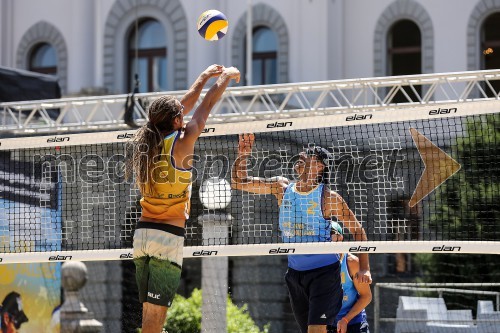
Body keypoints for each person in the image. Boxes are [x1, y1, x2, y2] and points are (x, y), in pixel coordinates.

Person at [128, 64, 240, 333]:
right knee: (155, 320)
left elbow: (182, 108)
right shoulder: (181, 143)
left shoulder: (147, 141)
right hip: (167, 239)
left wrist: (203, 77)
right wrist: (225, 77)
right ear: (177, 121)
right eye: (180, 114)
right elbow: (206, 105)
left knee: (150, 317)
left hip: (143, 235)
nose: (183, 113)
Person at [232, 134, 371, 333]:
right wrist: (243, 154)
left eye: (309, 154)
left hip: (324, 274)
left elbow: (358, 231)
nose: (301, 154)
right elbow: (239, 182)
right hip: (295, 274)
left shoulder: (329, 198)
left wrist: (364, 268)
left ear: (320, 166)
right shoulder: (281, 188)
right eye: (302, 152)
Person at [330, 222, 371, 333]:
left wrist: (345, 320)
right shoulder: (318, 261)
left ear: (340, 237)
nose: (326, 236)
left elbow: (366, 296)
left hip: (353, 320)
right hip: (327, 320)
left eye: (330, 233)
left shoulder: (351, 262)